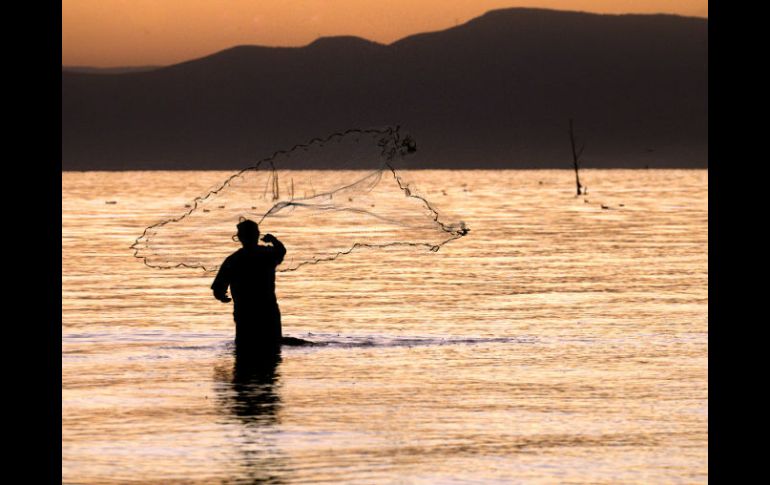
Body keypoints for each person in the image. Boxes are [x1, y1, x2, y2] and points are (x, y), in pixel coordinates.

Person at [212, 219, 286, 352]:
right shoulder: (267, 254)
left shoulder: (233, 259)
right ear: (257, 235)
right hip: (268, 312)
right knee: (272, 350)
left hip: (245, 314)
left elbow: (218, 288)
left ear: (240, 237)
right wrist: (273, 240)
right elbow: (281, 251)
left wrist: (222, 296)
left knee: (245, 350)